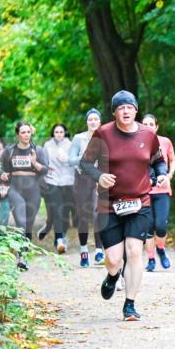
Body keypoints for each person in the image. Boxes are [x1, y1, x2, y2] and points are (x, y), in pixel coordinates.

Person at [79, 90, 168, 321]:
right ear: (114, 112)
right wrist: (99, 177)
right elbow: (85, 164)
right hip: (109, 205)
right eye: (121, 107)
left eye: (129, 107)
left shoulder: (148, 135)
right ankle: (112, 275)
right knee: (114, 259)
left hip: (140, 202)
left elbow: (158, 160)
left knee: (134, 252)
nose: (126, 111)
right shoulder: (103, 133)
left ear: (136, 110)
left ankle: (130, 305)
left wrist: (161, 175)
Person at [1, 121, 50, 270]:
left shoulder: (38, 150)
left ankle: (25, 254)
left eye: (28, 132)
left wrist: (34, 162)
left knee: (28, 225)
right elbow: (2, 168)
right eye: (23, 132)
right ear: (17, 134)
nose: (26, 135)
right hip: (15, 189)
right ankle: (20, 256)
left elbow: (45, 170)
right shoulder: (9, 151)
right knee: (21, 222)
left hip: (33, 190)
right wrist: (3, 175)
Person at [141, 114, 175, 271]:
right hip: (144, 191)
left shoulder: (165, 141)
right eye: (145, 124)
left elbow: (173, 159)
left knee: (161, 226)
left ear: (156, 127)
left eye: (151, 124)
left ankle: (161, 249)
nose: (148, 126)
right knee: (148, 227)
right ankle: (150, 260)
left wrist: (169, 175)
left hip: (162, 190)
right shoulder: (137, 142)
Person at [70, 109, 105, 267]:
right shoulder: (79, 138)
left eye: (95, 119)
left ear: (100, 121)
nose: (93, 122)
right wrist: (84, 157)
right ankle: (84, 251)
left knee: (98, 213)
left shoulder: (105, 137)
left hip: (99, 178)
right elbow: (71, 161)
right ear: (87, 122)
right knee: (83, 215)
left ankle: (99, 251)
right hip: (82, 179)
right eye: (90, 119)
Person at [40, 124, 75, 254]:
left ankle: (61, 237)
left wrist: (67, 159)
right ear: (53, 133)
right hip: (52, 180)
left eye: (61, 132)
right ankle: (59, 239)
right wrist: (45, 172)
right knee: (56, 210)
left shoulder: (70, 145)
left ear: (64, 133)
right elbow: (44, 162)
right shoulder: (47, 145)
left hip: (68, 181)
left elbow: (76, 162)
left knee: (65, 211)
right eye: (56, 132)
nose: (59, 134)